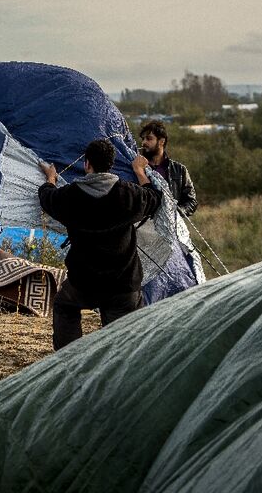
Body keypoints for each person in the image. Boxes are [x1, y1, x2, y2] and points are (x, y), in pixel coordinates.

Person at [38, 139, 162, 350]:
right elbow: (154, 198)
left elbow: (46, 197)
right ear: (111, 165)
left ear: (87, 164)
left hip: (85, 283)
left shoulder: (70, 196)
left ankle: (68, 360)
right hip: (123, 285)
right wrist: (139, 171)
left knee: (64, 305)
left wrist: (50, 178)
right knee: (121, 342)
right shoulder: (128, 194)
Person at [138, 120, 197, 217]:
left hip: (170, 227)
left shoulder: (179, 170)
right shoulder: (138, 167)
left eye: (149, 139)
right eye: (143, 139)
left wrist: (177, 213)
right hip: (143, 227)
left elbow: (191, 201)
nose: (144, 142)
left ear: (161, 141)